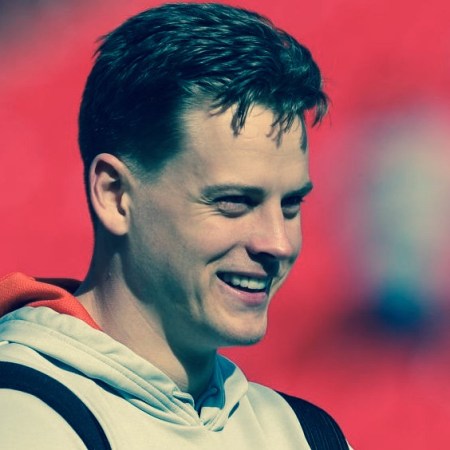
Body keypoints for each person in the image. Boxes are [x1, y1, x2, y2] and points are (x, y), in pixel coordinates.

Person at [0, 3, 349, 449]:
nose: (277, 243)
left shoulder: (307, 433)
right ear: (115, 195)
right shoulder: (27, 418)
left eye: (290, 204)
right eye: (234, 202)